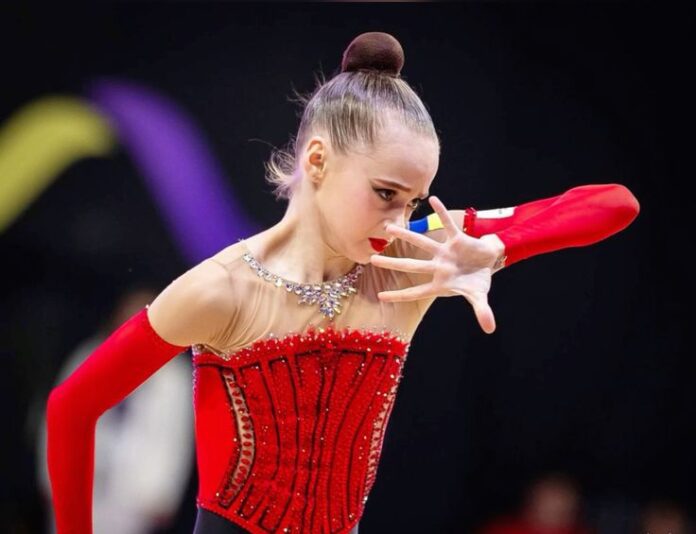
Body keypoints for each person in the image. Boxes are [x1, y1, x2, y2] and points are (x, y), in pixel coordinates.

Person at [46, 32, 640, 534]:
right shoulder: (221, 289)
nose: (397, 218)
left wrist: (498, 244)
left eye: (411, 198)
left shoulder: (422, 245)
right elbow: (72, 406)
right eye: (385, 193)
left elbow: (615, 203)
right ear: (318, 160)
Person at [36, 287, 194, 534]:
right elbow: (57, 420)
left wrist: (164, 495)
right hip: (83, 480)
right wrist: (50, 478)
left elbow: (177, 438)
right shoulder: (88, 356)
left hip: (137, 494)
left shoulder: (174, 379)